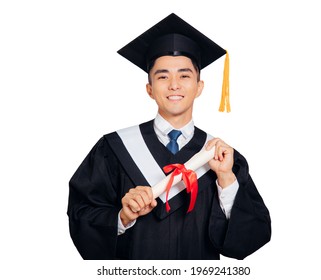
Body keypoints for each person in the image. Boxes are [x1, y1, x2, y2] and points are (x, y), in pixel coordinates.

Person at [67, 13, 271, 260]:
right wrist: (122, 217)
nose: (174, 84)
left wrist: (226, 178)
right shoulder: (113, 148)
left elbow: (252, 237)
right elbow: (82, 214)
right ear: (150, 89)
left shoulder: (221, 157)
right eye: (163, 76)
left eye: (184, 75)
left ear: (199, 86)